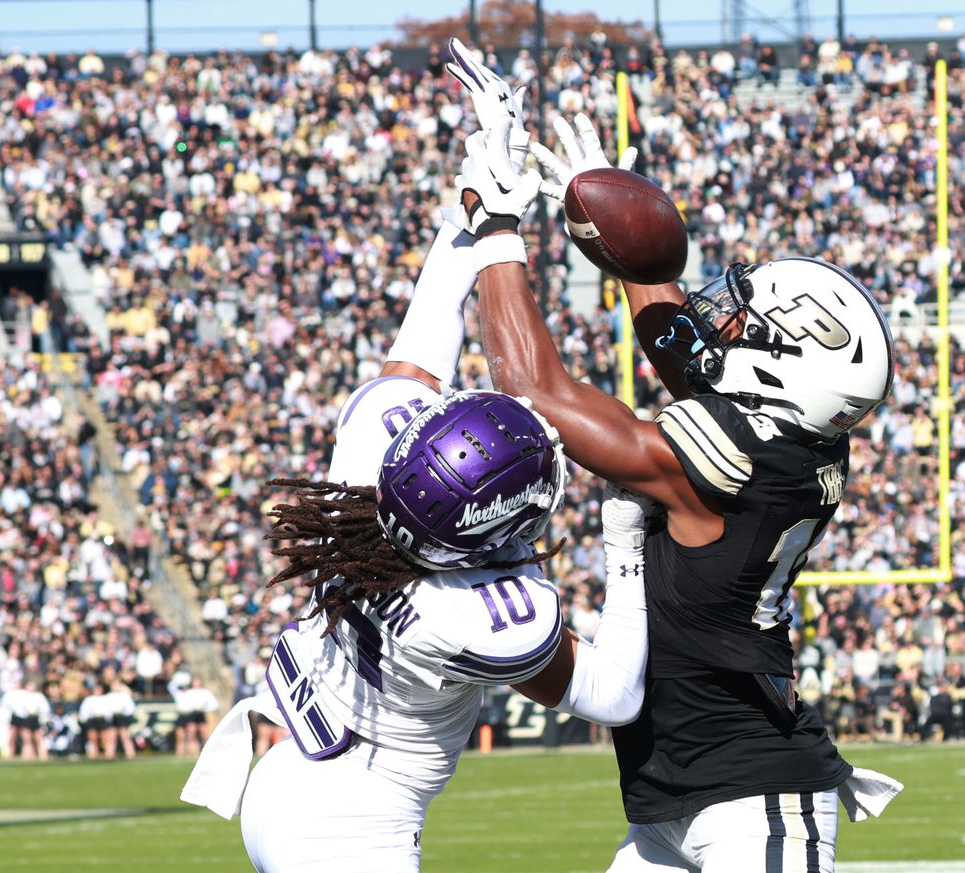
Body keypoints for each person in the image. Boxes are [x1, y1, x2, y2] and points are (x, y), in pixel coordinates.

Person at [448, 39, 900, 873]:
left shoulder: (736, 459)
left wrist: (498, 226)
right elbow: (685, 346)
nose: (719, 319)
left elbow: (535, 390)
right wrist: (628, 244)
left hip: (752, 795)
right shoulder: (789, 438)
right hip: (676, 794)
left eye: (747, 324)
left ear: (782, 366)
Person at [182, 88, 653, 868]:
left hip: (285, 777)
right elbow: (614, 695)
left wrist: (478, 204)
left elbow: (423, 335)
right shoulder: (479, 614)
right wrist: (625, 547)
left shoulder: (370, 486)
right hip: (351, 827)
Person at [0, 680, 50, 760]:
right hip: (24, 719)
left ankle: (42, 756)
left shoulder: (37, 696)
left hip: (33, 719)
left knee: (37, 738)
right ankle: (26, 756)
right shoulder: (19, 694)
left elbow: (44, 710)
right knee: (26, 739)